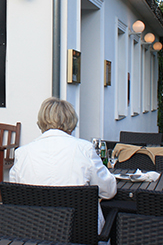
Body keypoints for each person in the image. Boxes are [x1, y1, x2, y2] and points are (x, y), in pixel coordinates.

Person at [9, 97, 117, 233]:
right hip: (80, 233)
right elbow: (108, 191)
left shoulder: (22, 153)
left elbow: (14, 197)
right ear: (71, 121)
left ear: (41, 121)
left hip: (34, 232)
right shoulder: (85, 149)